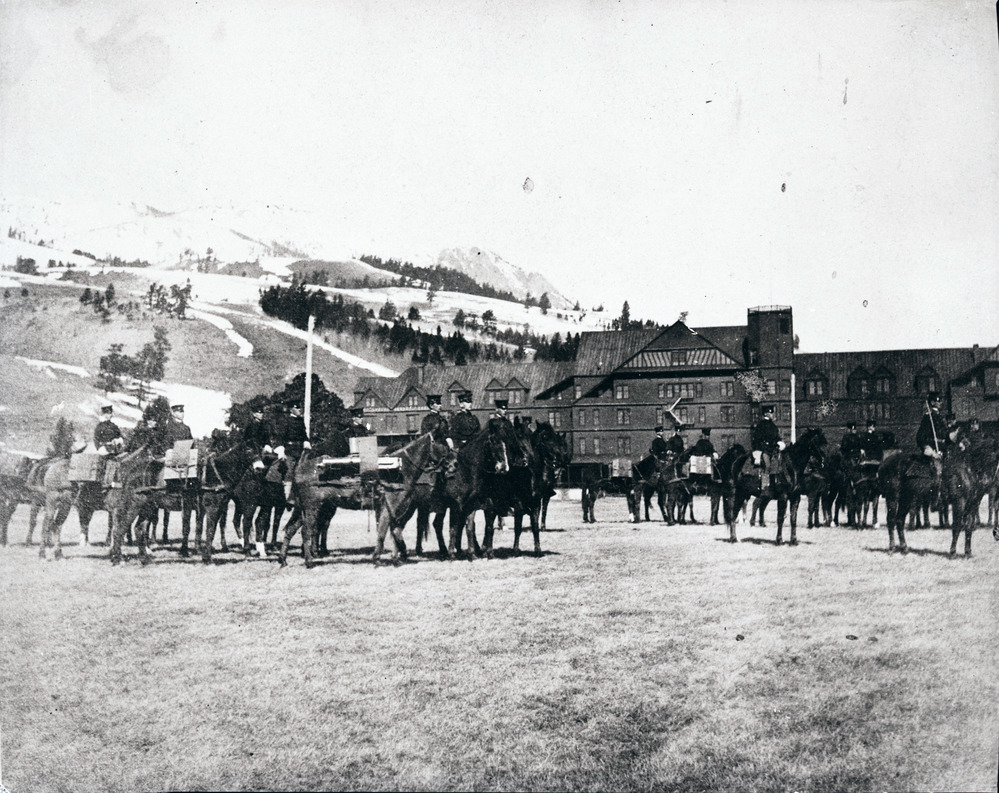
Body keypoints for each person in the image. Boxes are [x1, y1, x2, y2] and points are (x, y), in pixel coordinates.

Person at [268, 401, 311, 503]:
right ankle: (287, 497)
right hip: (289, 450)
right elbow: (280, 437)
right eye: (297, 408)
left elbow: (304, 435)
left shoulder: (300, 421)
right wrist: (281, 450)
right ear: (291, 409)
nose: (300, 410)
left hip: (300, 451)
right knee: (289, 472)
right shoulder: (285, 421)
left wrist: (306, 442)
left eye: (300, 408)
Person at [751, 405, 783, 470]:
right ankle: (765, 479)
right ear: (766, 414)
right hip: (763, 448)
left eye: (772, 413)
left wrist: (779, 442)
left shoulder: (773, 425)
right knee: (767, 465)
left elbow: (776, 436)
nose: (773, 415)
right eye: (771, 413)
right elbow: (757, 437)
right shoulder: (761, 425)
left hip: (772, 448)